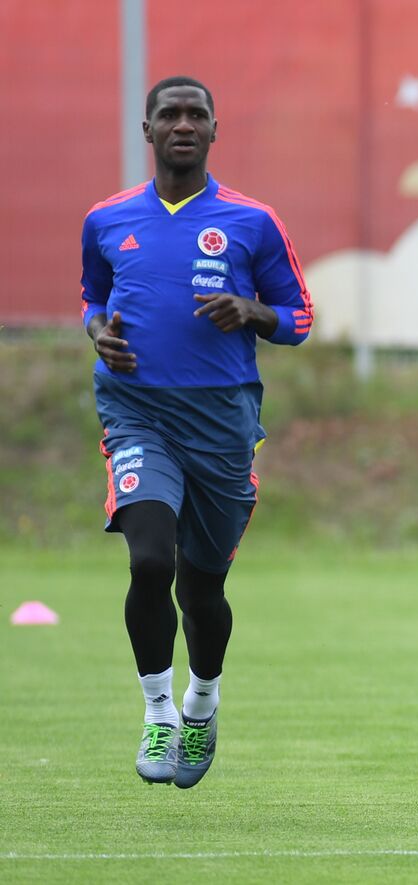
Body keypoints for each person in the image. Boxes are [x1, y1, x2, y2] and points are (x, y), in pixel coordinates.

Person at [81, 76, 313, 787]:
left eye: (196, 115)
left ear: (215, 130)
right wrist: (97, 332)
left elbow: (299, 317)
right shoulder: (106, 219)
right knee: (150, 559)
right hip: (136, 411)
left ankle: (202, 702)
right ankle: (157, 710)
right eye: (169, 114)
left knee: (201, 588)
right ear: (146, 130)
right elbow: (94, 296)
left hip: (220, 423)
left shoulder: (252, 221)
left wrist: (252, 311)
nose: (183, 124)